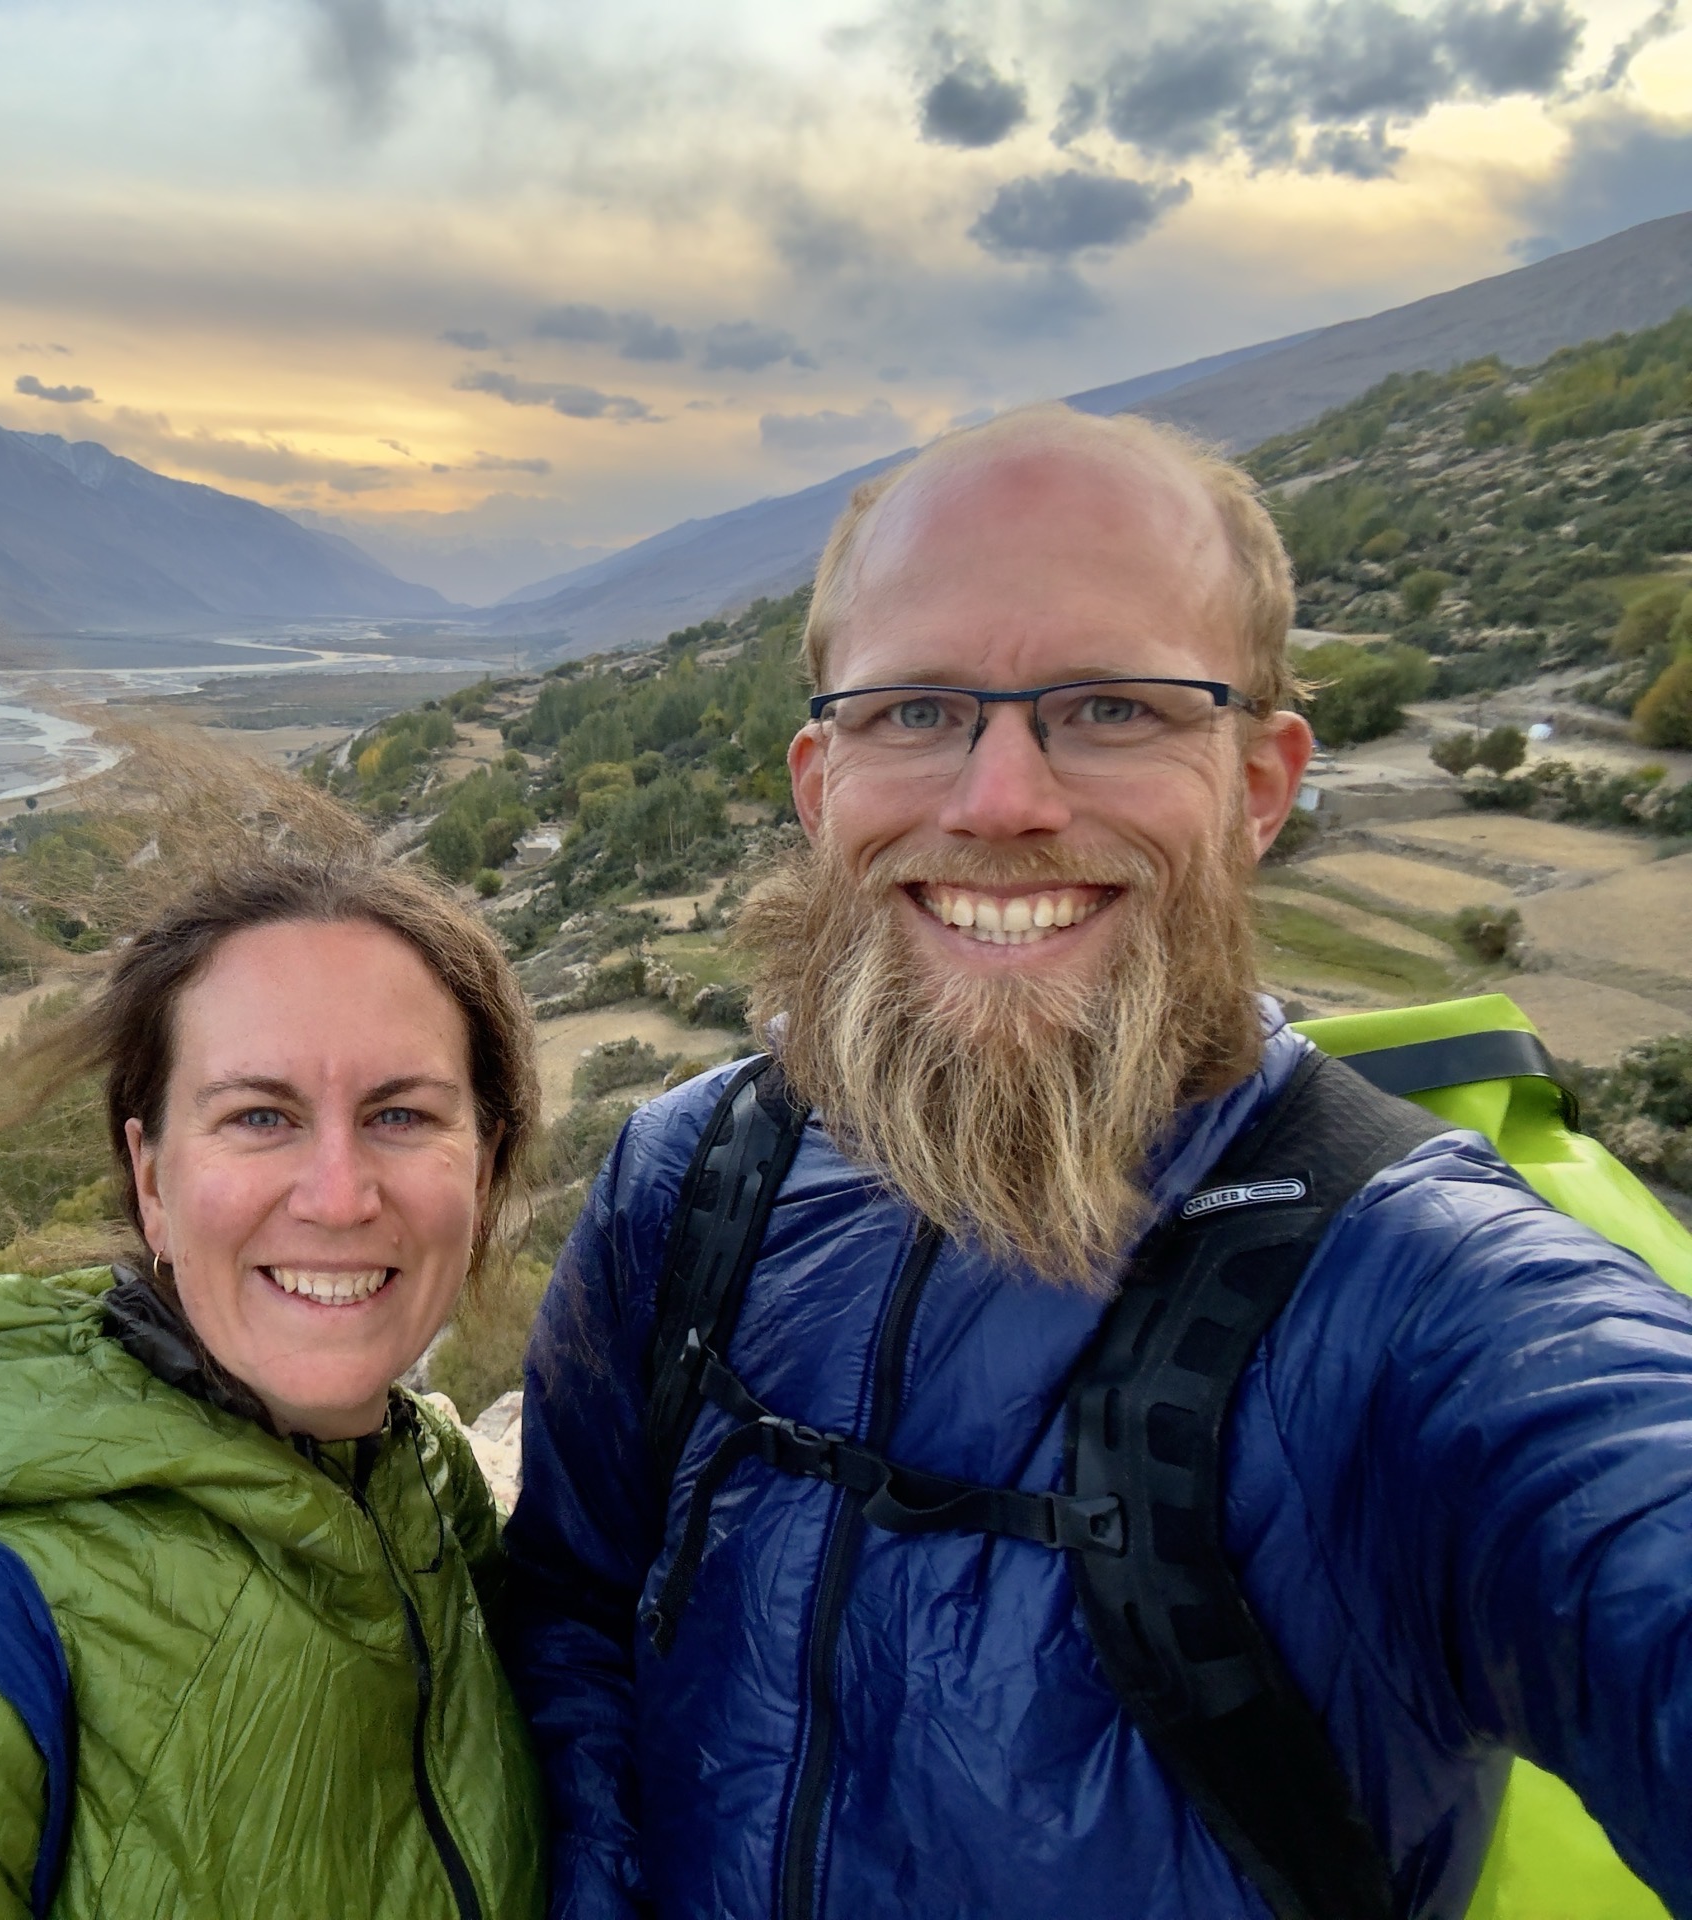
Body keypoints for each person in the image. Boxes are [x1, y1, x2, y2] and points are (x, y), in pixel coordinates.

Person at [503, 405, 1692, 1918]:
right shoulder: (689, 1180)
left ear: (1261, 785)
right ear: (819, 783)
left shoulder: (1419, 1299)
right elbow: (571, 1614)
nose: (1002, 798)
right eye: (918, 709)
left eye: (1115, 708)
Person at [0, 853, 548, 1919]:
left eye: (400, 1115)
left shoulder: (428, 1494)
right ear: (152, 1180)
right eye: (259, 1116)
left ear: (481, 1168)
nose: (339, 1197)